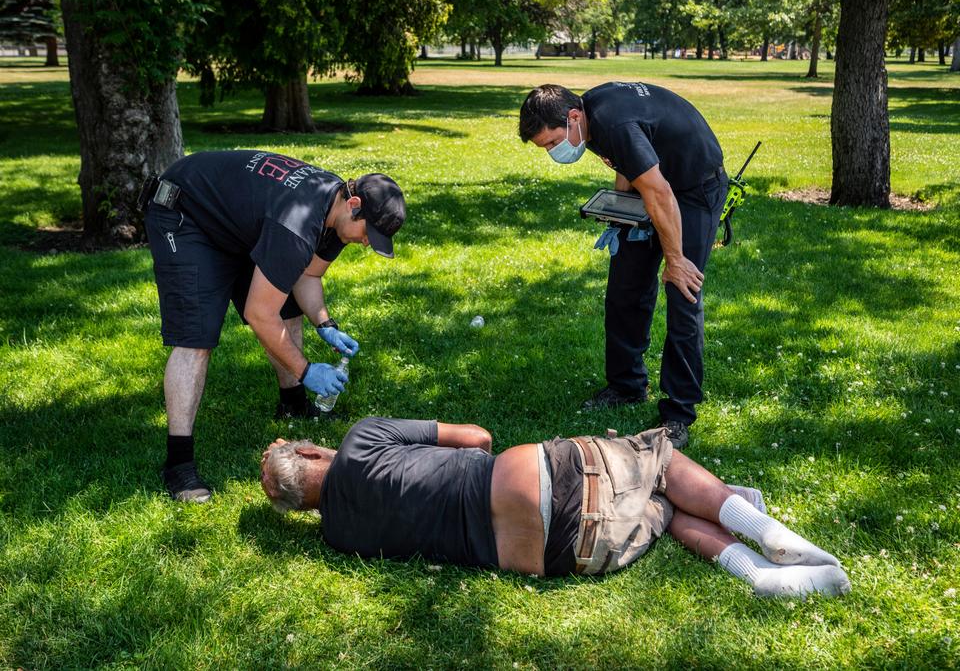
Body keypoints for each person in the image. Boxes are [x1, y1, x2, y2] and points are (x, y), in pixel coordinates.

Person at [259, 417, 850, 598]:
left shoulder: (338, 537)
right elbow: (477, 437)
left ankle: (759, 577)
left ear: (300, 507)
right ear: (311, 450)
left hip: (566, 554)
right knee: (660, 461)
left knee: (662, 510)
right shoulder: (361, 440)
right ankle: (766, 529)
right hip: (530, 482)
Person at [144, 150, 406, 503]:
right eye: (368, 233)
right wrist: (306, 369)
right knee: (197, 337)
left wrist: (326, 324)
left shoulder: (334, 210)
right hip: (185, 213)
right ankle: (179, 464)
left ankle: (293, 404)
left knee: (288, 305)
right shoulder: (297, 224)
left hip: (234, 222)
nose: (365, 242)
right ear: (354, 204)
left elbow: (308, 274)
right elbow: (259, 315)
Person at [518, 83, 728, 448]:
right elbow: (630, 166)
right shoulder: (588, 116)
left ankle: (678, 413)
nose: (554, 152)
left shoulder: (613, 124)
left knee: (682, 292)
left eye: (552, 143)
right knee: (625, 287)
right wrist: (621, 213)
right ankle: (626, 385)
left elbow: (659, 192)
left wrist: (675, 260)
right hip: (656, 184)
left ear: (572, 118)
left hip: (693, 188)